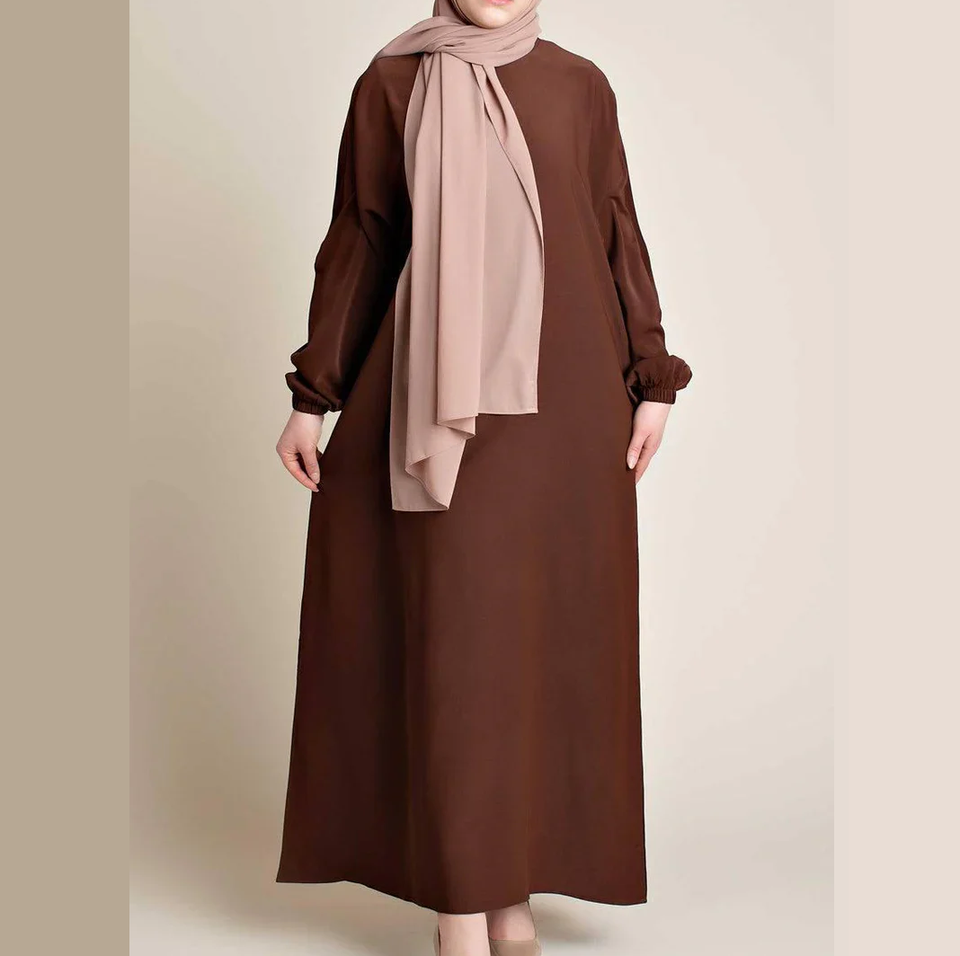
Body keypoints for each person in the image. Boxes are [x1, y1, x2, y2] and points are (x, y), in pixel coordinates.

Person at [274, 2, 692, 954]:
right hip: (433, 404)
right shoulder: (391, 83)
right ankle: (461, 903)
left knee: (537, 650)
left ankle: (512, 894)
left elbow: (615, 227)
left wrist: (653, 378)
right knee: (458, 649)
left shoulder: (579, 86)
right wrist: (313, 395)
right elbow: (363, 238)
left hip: (567, 405)